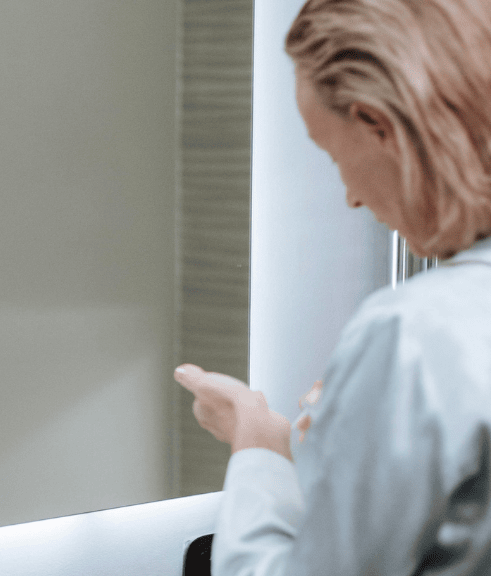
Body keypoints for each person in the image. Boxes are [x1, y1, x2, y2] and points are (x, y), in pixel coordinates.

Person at [174, 0, 491, 574]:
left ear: (381, 127)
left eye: (330, 151)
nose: (349, 196)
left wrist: (258, 447)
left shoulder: (414, 335)